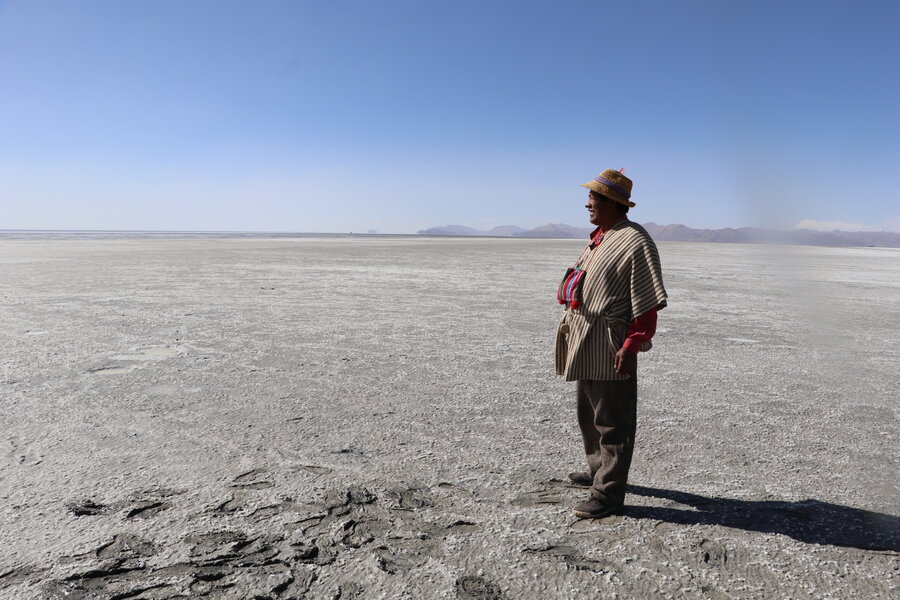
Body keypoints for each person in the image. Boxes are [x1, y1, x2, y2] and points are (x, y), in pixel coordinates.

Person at [555, 168, 668, 519]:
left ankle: (608, 495)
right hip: (585, 337)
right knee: (589, 414)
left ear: (613, 203)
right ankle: (597, 472)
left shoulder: (635, 240)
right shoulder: (602, 236)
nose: (587, 203)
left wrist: (632, 343)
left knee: (613, 419)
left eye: (593, 198)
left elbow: (646, 300)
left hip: (610, 341)